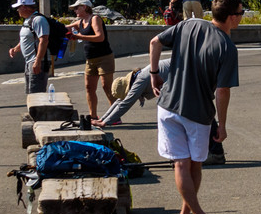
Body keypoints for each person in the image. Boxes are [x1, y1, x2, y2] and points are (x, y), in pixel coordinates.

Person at [149, 0, 242, 214]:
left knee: (181, 164)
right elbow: (222, 91)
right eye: (241, 14)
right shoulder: (227, 47)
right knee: (194, 165)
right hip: (197, 111)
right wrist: (222, 125)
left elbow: (154, 42)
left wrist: (154, 73)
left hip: (167, 106)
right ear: (232, 18)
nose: (242, 18)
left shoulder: (188, 25)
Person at [97, 58, 227, 164]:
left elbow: (126, 103)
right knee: (197, 111)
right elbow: (120, 101)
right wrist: (102, 119)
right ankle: (209, 152)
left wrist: (105, 123)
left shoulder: (141, 80)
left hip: (192, 75)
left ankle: (216, 154)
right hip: (187, 76)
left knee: (201, 110)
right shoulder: (139, 77)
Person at [67, 0, 114, 119]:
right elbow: (65, 28)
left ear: (84, 7)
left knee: (107, 87)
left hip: (104, 58)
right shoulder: (80, 22)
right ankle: (93, 116)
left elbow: (100, 37)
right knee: (89, 88)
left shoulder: (95, 19)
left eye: (77, 8)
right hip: (90, 59)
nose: (75, 11)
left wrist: (78, 36)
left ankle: (115, 116)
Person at [6, 0, 51, 95]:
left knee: (36, 95)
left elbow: (43, 40)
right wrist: (16, 49)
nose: (17, 10)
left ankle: (38, 111)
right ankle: (34, 111)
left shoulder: (38, 20)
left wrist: (38, 61)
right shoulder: (28, 20)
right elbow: (26, 39)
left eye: (18, 8)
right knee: (30, 93)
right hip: (30, 62)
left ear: (24, 7)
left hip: (37, 62)